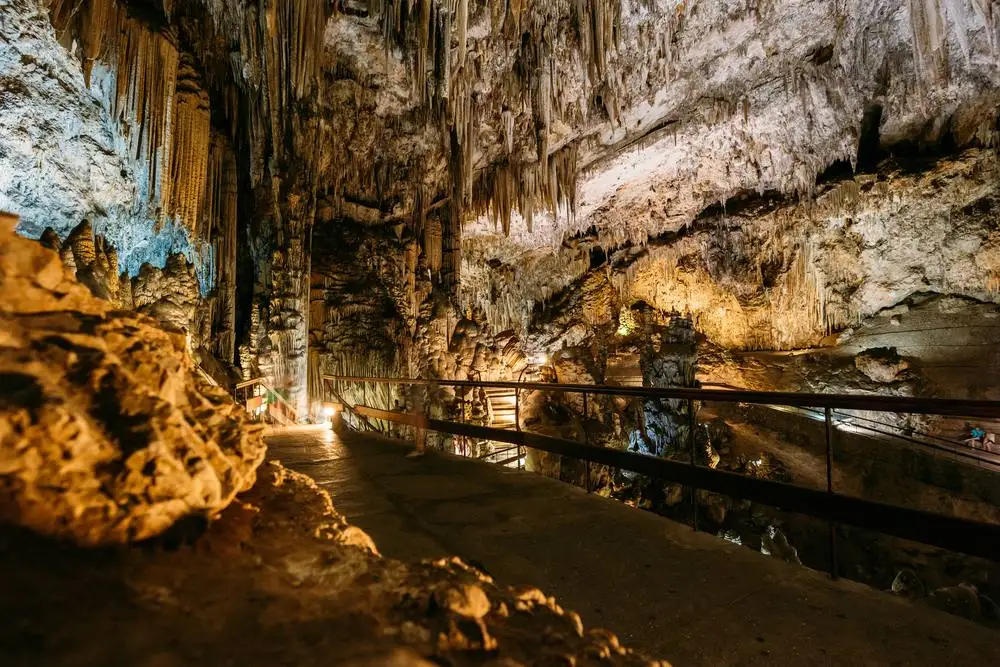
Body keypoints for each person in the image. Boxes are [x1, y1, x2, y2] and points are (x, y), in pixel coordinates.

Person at [406, 384, 427, 458]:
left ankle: (420, 450)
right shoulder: (418, 397)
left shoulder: (417, 396)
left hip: (419, 413)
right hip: (418, 412)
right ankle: (420, 449)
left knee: (418, 431)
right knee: (417, 431)